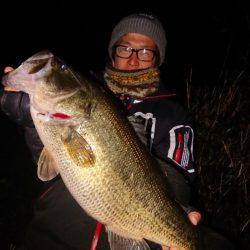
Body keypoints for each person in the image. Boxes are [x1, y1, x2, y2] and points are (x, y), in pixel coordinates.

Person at [1, 13, 233, 250]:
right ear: (113, 51)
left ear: (158, 58)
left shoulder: (173, 116)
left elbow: (176, 177)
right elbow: (50, 165)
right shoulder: (88, 90)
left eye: (145, 52)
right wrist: (27, 119)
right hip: (52, 238)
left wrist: (182, 215)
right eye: (125, 48)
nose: (133, 60)